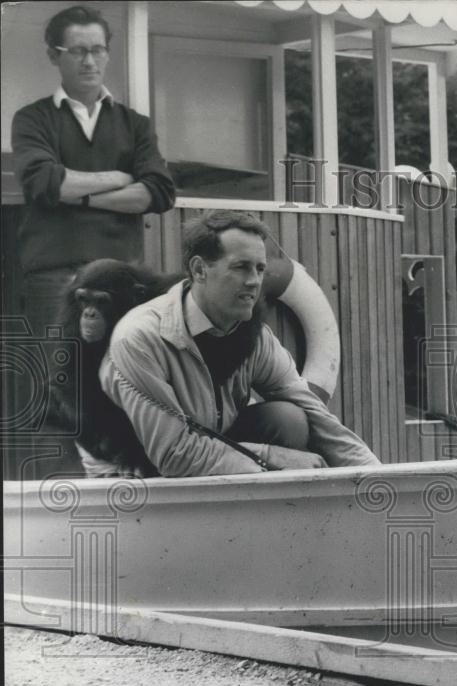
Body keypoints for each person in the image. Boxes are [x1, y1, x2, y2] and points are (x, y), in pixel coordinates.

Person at [99, 210, 380, 476]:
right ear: (199, 270)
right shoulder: (140, 337)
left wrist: (376, 474)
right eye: (241, 267)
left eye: (260, 269)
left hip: (208, 445)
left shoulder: (254, 335)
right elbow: (174, 454)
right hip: (136, 472)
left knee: (288, 419)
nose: (254, 281)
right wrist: (271, 457)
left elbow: (313, 412)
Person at [11, 4, 175, 337]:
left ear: (107, 54)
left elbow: (159, 191)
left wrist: (82, 196)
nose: (89, 61)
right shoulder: (32, 119)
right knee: (58, 367)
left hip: (120, 278)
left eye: (97, 50)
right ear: (54, 55)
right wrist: (117, 178)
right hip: (54, 276)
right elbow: (46, 183)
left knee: (119, 366)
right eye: (78, 51)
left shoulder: (135, 125)